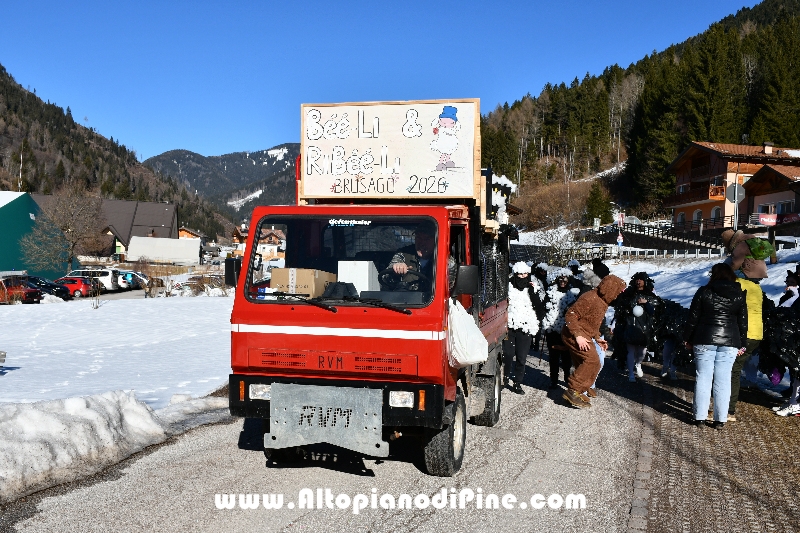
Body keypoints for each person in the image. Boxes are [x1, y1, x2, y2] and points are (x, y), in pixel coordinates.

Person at [684, 263, 747, 429]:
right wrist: (742, 343)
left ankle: (700, 417)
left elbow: (693, 318)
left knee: (703, 378)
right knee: (724, 379)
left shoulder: (704, 291)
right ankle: (720, 419)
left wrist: (687, 338)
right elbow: (743, 322)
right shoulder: (739, 294)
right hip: (730, 341)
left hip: (704, 338)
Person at [561, 275, 627, 408]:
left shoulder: (603, 302)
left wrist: (597, 338)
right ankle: (573, 390)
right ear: (610, 289)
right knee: (592, 360)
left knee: (594, 364)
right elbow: (570, 315)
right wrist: (578, 336)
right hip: (572, 334)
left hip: (585, 334)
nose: (617, 296)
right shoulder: (590, 297)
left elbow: (592, 324)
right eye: (618, 292)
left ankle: (580, 390)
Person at [727, 274, 765, 421]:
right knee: (735, 369)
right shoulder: (757, 287)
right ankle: (728, 408)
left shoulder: (739, 283)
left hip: (745, 333)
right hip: (756, 334)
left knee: (733, 370)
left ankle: (728, 410)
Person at [611, 272, 661, 369]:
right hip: (630, 324)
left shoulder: (650, 294)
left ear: (645, 281)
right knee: (629, 349)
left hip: (645, 326)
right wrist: (614, 323)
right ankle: (630, 373)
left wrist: (646, 303)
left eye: (640, 280)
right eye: (637, 279)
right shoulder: (629, 293)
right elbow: (620, 309)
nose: (638, 282)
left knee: (642, 351)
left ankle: (638, 364)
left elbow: (654, 310)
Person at [504, 262, 541, 394]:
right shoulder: (508, 287)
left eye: (525, 274)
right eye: (520, 274)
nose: (523, 277)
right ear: (515, 274)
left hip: (525, 327)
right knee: (507, 354)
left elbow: (538, 307)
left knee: (521, 357)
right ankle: (505, 377)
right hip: (510, 325)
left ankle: (517, 382)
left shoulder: (531, 288)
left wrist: (534, 292)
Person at [389, 221, 456, 291]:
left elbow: (447, 288)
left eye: (427, 239)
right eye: (419, 238)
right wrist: (396, 269)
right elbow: (386, 277)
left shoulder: (445, 260)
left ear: (436, 240)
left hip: (431, 300)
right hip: (404, 299)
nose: (422, 243)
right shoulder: (404, 253)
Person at [541, 270, 579, 389]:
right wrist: (545, 323)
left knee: (566, 356)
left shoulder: (572, 294)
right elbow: (544, 308)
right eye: (560, 279)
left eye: (565, 280)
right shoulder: (550, 292)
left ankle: (567, 378)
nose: (563, 282)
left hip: (566, 329)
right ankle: (553, 380)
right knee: (554, 356)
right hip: (552, 329)